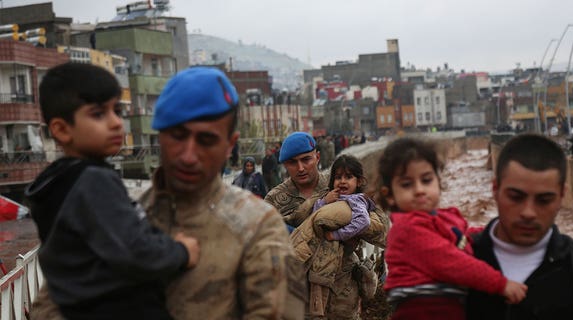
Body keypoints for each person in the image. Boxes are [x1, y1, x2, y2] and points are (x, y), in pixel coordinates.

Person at [30, 67, 305, 320]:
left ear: (229, 145)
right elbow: (51, 303)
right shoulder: (114, 214)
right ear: (159, 135)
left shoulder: (257, 227)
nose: (188, 156)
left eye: (206, 140)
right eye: (177, 136)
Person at [25, 62, 201, 320]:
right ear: (62, 130)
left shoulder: (57, 183)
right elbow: (135, 251)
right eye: (98, 114)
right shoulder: (93, 182)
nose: (117, 123)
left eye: (117, 111)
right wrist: (181, 252)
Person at [466, 133, 573, 319]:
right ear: (495, 189)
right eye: (516, 197)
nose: (528, 212)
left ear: (562, 196)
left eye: (544, 200)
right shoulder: (456, 264)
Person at [378, 137, 527, 320]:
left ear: (439, 181)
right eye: (407, 184)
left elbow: (462, 238)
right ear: (390, 196)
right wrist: (501, 284)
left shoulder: (441, 219)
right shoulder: (407, 230)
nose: (419, 190)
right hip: (422, 310)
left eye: (426, 180)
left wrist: (496, 232)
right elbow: (455, 263)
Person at [265, 131, 389, 319]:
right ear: (284, 165)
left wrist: (348, 221)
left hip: (343, 295)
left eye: (306, 159)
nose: (300, 168)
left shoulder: (341, 182)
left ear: (317, 157)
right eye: (292, 162)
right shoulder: (275, 200)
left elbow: (383, 231)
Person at [312, 154, 373, 242]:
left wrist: (336, 234)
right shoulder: (330, 196)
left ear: (359, 182)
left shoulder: (355, 199)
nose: (342, 181)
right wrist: (324, 201)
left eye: (348, 177)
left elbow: (364, 221)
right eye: (338, 177)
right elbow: (314, 216)